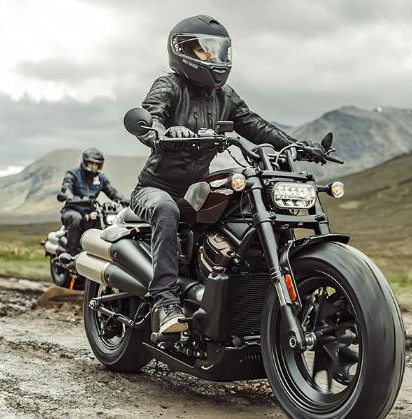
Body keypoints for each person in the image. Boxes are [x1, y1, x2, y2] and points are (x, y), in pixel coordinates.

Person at [129, 15, 328, 335]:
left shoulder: (225, 95)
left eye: (221, 51)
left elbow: (255, 126)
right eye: (207, 51)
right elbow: (151, 116)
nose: (216, 58)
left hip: (197, 189)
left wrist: (298, 146)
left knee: (241, 204)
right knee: (165, 209)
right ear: (184, 51)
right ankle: (164, 300)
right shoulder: (169, 85)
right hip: (156, 187)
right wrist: (159, 132)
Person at [60, 148, 125, 257]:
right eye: (91, 163)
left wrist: (127, 200)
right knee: (76, 219)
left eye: (96, 164)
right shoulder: (73, 174)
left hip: (91, 210)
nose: (94, 166)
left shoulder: (100, 178)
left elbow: (112, 192)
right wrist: (69, 196)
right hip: (72, 209)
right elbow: (66, 188)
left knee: (104, 220)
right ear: (85, 162)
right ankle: (71, 255)